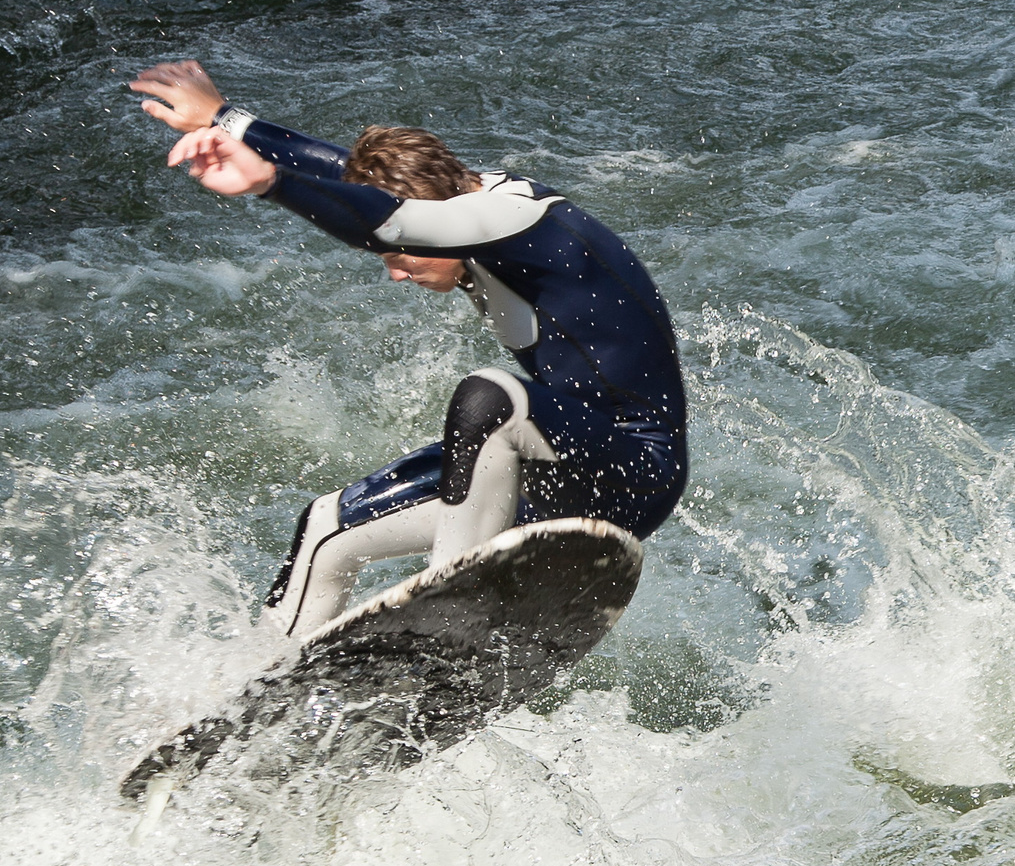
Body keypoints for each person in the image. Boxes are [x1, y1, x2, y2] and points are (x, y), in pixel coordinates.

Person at [131, 61, 688, 638]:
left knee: (489, 398)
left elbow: (387, 218)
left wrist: (272, 183)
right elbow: (345, 175)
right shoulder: (464, 197)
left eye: (400, 256)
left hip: (630, 472)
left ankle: (448, 620)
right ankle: (258, 685)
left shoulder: (517, 221)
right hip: (543, 468)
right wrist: (225, 119)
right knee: (327, 528)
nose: (396, 273)